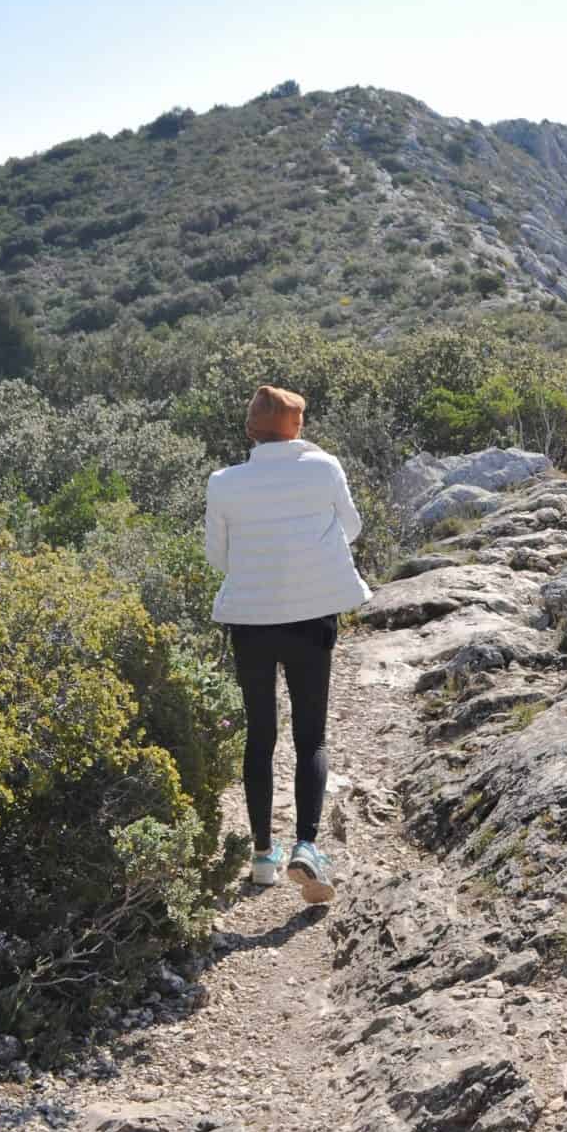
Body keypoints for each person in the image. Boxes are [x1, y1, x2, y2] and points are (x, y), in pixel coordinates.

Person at [203, 385, 372, 904]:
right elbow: (352, 528)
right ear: (297, 426)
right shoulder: (323, 467)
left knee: (260, 735)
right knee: (311, 738)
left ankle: (261, 856)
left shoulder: (224, 482)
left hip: (250, 622)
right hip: (311, 617)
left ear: (251, 431)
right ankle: (307, 845)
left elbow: (218, 558)